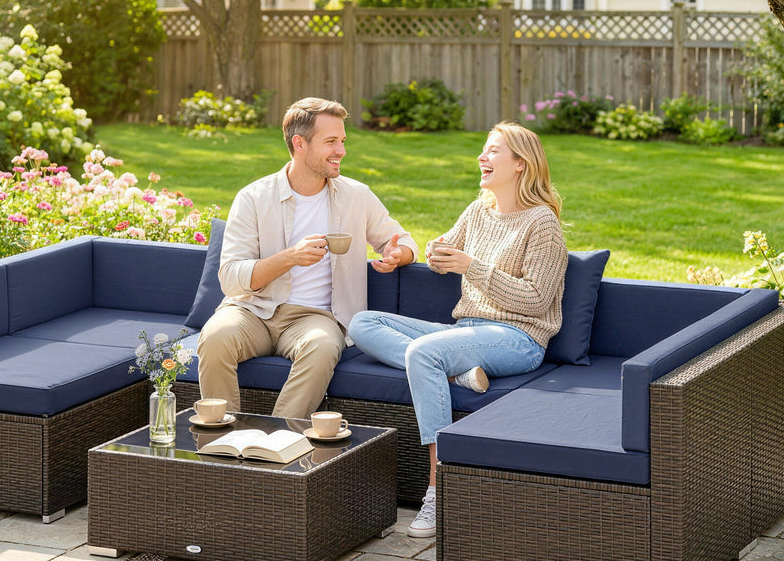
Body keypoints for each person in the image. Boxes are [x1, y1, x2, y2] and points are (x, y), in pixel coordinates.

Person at [348, 121, 567, 538]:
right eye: (484, 151)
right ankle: (458, 374)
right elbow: (444, 252)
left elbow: (537, 299)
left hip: (518, 339)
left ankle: (436, 488)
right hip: (468, 332)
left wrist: (472, 267)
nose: (482, 158)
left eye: (493, 151)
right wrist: (432, 252)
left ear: (520, 164)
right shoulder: (478, 210)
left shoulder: (542, 223)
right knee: (363, 323)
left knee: (421, 353)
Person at [197, 97, 417, 419]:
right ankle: (219, 440)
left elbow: (403, 240)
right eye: (331, 142)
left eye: (342, 141)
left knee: (323, 347)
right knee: (215, 337)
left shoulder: (356, 195)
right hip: (254, 310)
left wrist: (398, 255)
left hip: (315, 317)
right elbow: (231, 278)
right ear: (299, 143)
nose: (341, 150)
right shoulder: (254, 198)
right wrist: (289, 258)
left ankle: (279, 441)